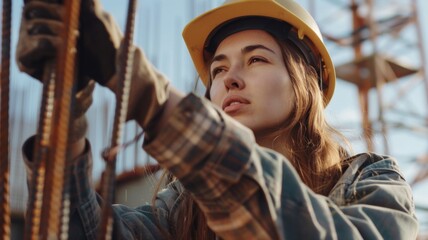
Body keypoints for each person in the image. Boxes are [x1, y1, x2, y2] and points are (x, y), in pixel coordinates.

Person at [16, 0, 419, 239]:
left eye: (256, 59)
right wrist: (65, 117)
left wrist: (144, 93)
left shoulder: (372, 184)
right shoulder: (183, 210)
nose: (230, 80)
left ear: (307, 80)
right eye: (218, 71)